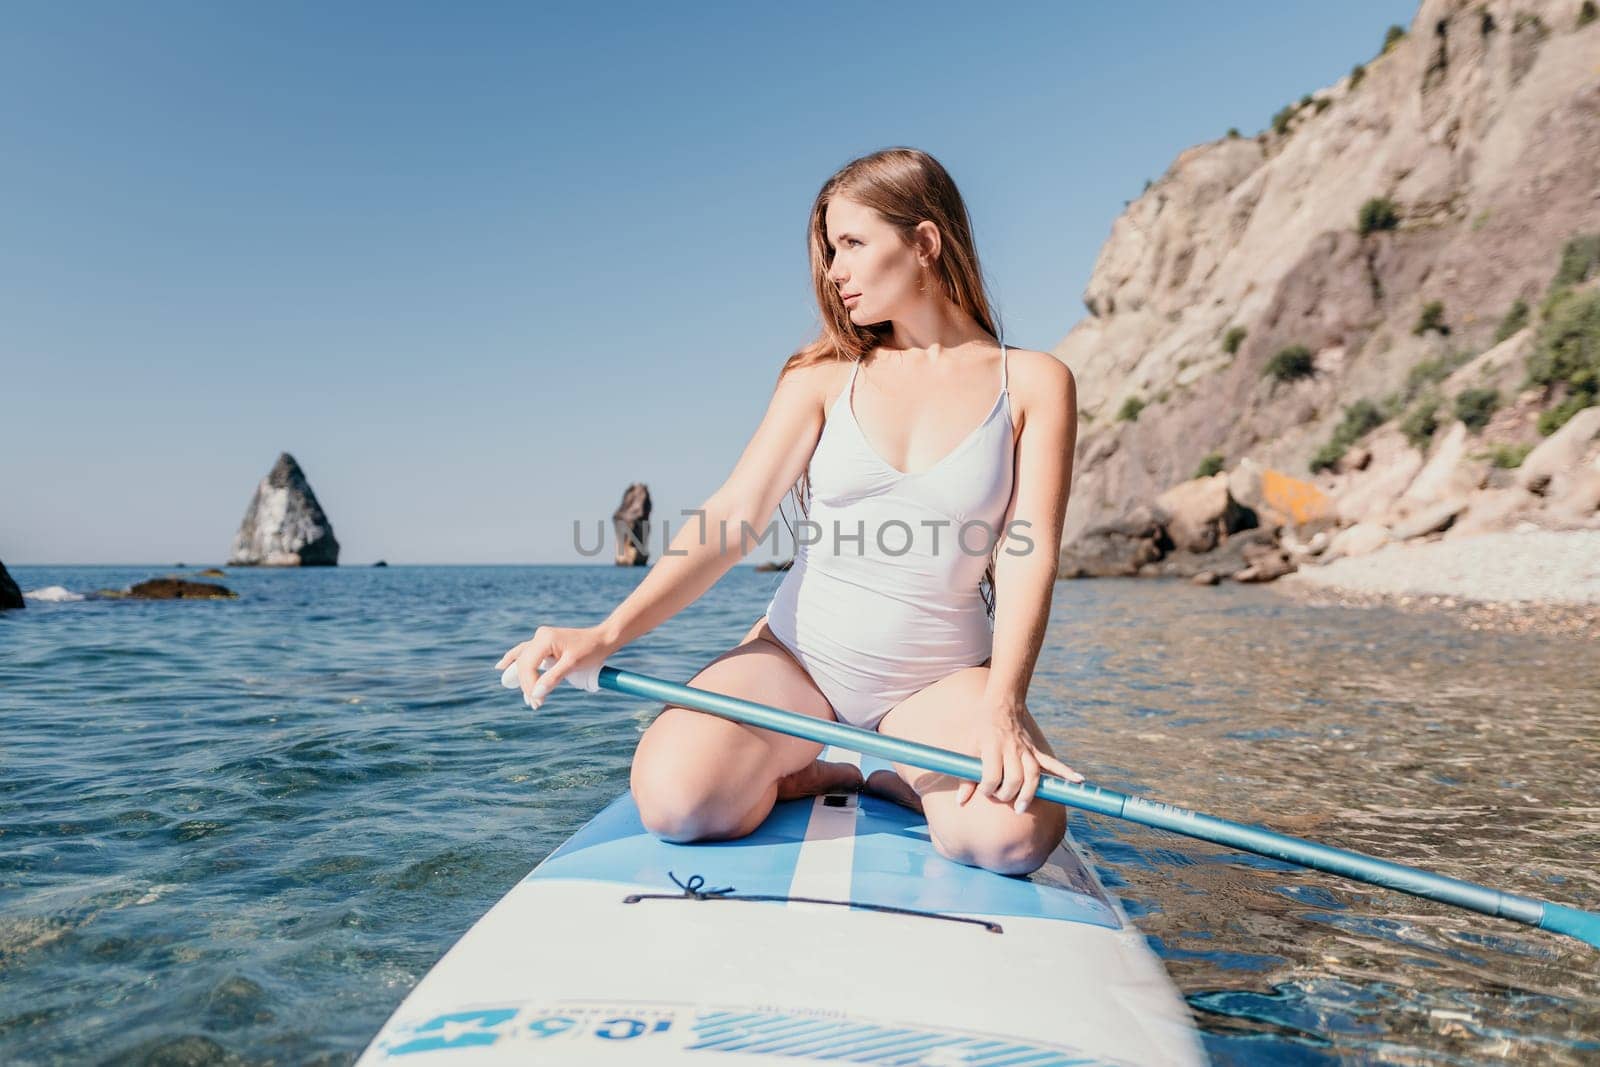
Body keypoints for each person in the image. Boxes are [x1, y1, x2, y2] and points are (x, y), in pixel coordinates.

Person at [495, 147, 1083, 877]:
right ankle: (814, 765)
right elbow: (733, 516)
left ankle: (894, 771)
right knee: (679, 803)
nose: (833, 272)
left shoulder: (1032, 382)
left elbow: (1030, 552)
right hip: (801, 663)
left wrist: (1002, 706)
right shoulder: (823, 377)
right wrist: (610, 632)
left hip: (941, 679)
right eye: (829, 250)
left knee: (1013, 837)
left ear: (924, 243)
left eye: (851, 245)